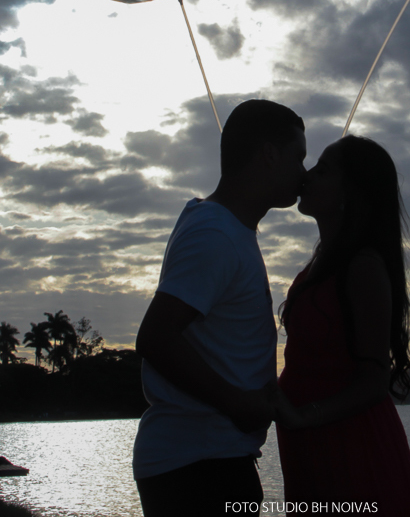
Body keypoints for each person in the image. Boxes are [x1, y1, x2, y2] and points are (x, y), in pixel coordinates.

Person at [133, 99, 307, 517]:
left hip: (206, 461)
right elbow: (156, 337)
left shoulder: (226, 228)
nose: (304, 172)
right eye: (298, 157)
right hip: (197, 469)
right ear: (269, 155)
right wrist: (237, 404)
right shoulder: (216, 233)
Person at [273, 135, 410, 515]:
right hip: (312, 450)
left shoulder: (363, 267)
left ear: (351, 193)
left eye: (322, 170)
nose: (307, 176)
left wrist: (301, 415)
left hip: (354, 453)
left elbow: (374, 380)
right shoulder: (315, 270)